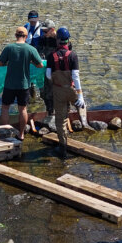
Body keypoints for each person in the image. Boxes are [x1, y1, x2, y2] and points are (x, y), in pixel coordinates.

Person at [0, 27, 45, 140]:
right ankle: (21, 134)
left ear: (15, 35)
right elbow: (40, 65)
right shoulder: (30, 49)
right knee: (23, 109)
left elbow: (0, 63)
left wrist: (10, 63)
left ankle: (5, 132)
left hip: (9, 83)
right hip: (24, 85)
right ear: (26, 36)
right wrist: (30, 62)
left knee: (5, 108)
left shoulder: (9, 48)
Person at [46, 27, 85, 158]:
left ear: (58, 41)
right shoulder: (73, 55)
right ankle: (84, 122)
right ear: (68, 41)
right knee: (80, 104)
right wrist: (80, 95)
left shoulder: (51, 56)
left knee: (60, 120)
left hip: (58, 90)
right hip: (71, 88)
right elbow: (76, 76)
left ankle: (63, 147)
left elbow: (48, 75)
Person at [37, 20, 59, 116]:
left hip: (58, 70)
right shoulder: (42, 39)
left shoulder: (60, 40)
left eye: (45, 31)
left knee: (58, 92)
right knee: (45, 93)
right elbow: (38, 53)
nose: (43, 33)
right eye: (42, 31)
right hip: (46, 69)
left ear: (52, 30)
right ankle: (50, 111)